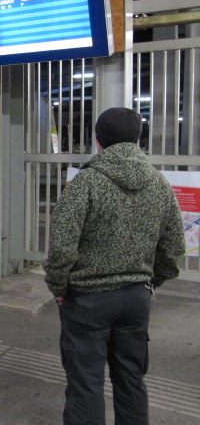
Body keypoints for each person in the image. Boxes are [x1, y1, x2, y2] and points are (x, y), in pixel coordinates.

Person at [43, 107, 185, 425]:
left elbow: (62, 245)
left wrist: (58, 286)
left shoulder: (85, 183)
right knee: (131, 380)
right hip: (136, 299)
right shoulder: (160, 185)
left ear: (98, 142)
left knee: (86, 384)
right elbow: (174, 247)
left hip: (87, 300)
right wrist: (147, 282)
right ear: (139, 139)